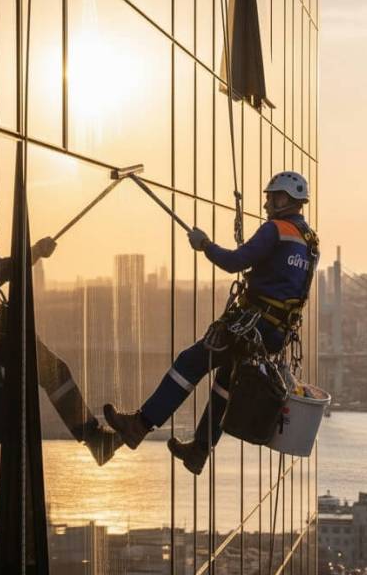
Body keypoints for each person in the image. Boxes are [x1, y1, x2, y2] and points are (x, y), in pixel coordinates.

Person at [104, 171, 318, 475]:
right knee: (225, 384)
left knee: (189, 363)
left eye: (273, 197)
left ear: (287, 200)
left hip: (251, 325)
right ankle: (199, 451)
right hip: (275, 332)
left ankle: (139, 425)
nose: (268, 203)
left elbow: (234, 263)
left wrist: (204, 244)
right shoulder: (310, 242)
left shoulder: (276, 230)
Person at [0, 181, 119, 465]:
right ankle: (95, 440)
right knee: (54, 372)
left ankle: (90, 439)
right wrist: (37, 250)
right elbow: (2, 269)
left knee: (30, 381)